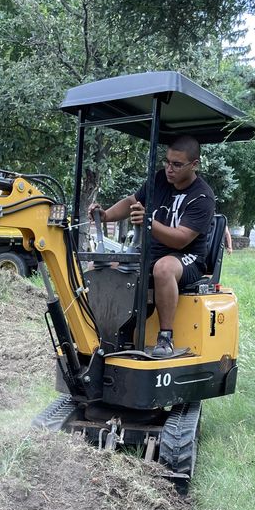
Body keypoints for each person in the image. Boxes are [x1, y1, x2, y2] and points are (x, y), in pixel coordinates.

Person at [88, 135, 215, 359]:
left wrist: (148, 222)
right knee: (101, 266)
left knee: (163, 269)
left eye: (177, 164)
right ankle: (107, 334)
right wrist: (106, 215)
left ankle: (165, 338)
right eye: (167, 162)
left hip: (187, 259)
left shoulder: (202, 196)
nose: (169, 169)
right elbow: (131, 202)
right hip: (151, 255)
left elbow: (180, 240)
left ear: (194, 164)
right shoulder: (159, 181)